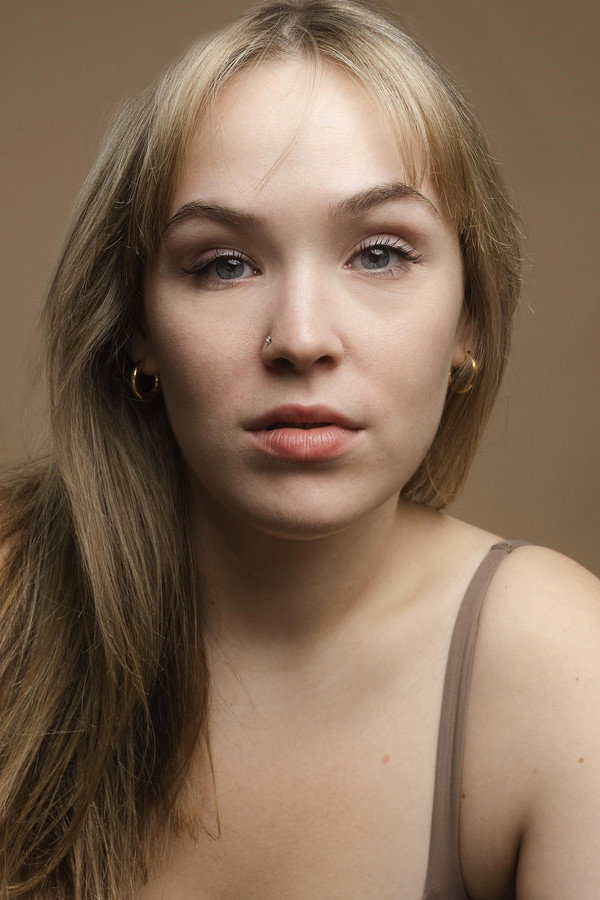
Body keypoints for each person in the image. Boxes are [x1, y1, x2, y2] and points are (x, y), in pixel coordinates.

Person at [1, 0, 599, 896]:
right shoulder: (13, 599)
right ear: (136, 331)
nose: (302, 338)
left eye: (380, 254)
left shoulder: (564, 669)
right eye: (224, 264)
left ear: (470, 317)